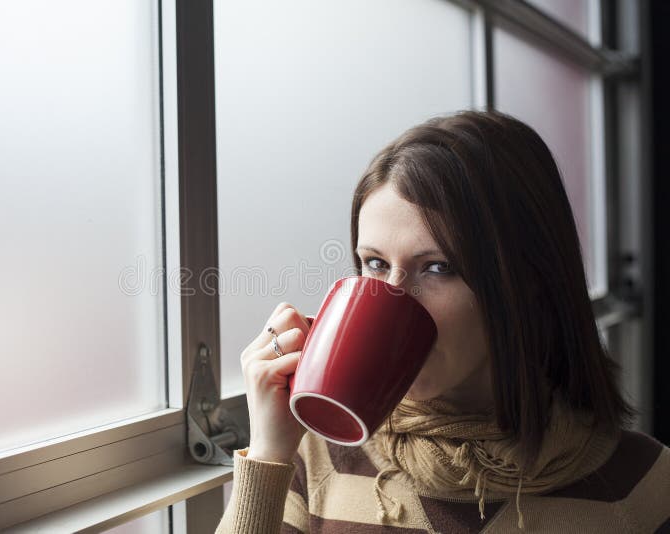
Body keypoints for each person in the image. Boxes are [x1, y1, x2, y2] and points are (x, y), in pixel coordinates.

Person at [215, 111, 670, 533]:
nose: (393, 297)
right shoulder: (311, 458)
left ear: (530, 282)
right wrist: (266, 457)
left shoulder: (642, 484)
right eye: (374, 263)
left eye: (437, 267)